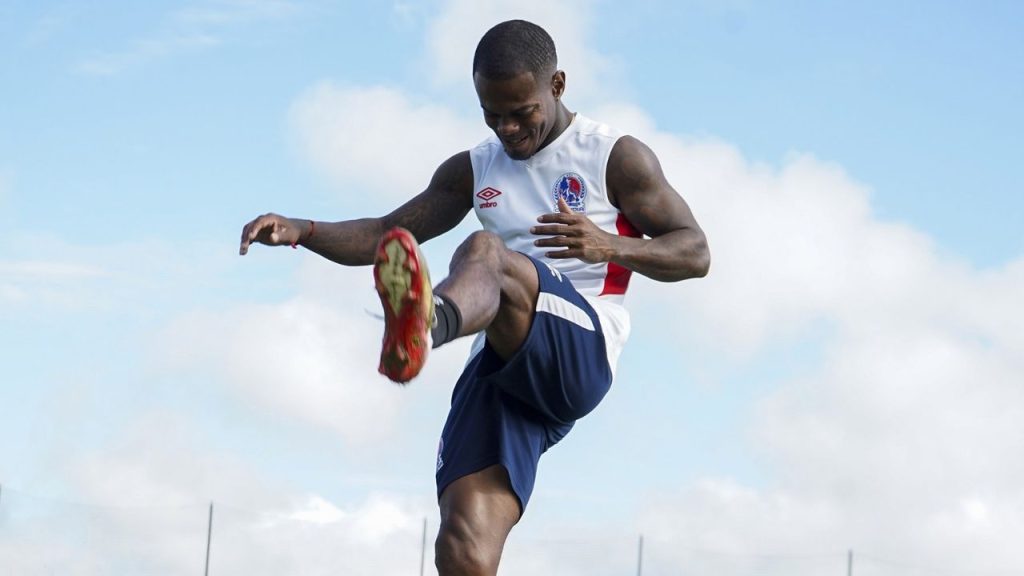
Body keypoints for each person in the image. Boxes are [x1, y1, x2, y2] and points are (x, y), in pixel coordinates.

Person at [239, 19, 709, 576]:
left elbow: (694, 251)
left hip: (581, 346)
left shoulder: (615, 157)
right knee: (461, 547)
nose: (508, 128)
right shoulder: (474, 169)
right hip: (503, 361)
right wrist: (303, 230)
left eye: (521, 111)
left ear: (556, 86)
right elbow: (388, 233)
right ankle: (427, 326)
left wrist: (609, 245)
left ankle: (427, 325)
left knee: (488, 250)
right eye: (492, 114)